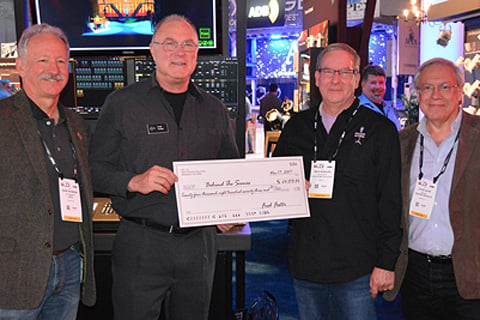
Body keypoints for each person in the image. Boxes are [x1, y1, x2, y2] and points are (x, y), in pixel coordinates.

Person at [89, 15, 239, 320]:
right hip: (141, 243)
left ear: (198, 53)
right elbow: (94, 168)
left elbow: (232, 173)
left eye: (188, 45)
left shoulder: (215, 109)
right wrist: (133, 181)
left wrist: (231, 210)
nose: (180, 52)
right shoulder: (122, 104)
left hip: (199, 244)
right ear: (152, 50)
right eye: (170, 44)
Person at [273, 43, 402, 320]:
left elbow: (391, 201)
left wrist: (386, 262)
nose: (336, 79)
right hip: (306, 263)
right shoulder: (296, 126)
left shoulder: (381, 130)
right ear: (316, 78)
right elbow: (272, 185)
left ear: (356, 80)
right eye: (329, 71)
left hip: (357, 268)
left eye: (345, 72)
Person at [0, 24, 96, 319]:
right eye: (43, 60)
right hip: (16, 273)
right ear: (21, 65)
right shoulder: (3, 120)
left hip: (69, 268)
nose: (53, 69)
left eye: (60, 61)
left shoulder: (76, 124)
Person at [384, 58, 480, 319]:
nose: (435, 95)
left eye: (445, 87)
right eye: (427, 88)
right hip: (415, 273)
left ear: (460, 91)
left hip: (470, 275)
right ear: (417, 94)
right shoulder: (402, 142)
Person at [358, 64, 401, 130]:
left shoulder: (389, 109)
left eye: (381, 82)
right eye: (373, 83)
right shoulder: (357, 108)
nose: (378, 87)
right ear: (363, 85)